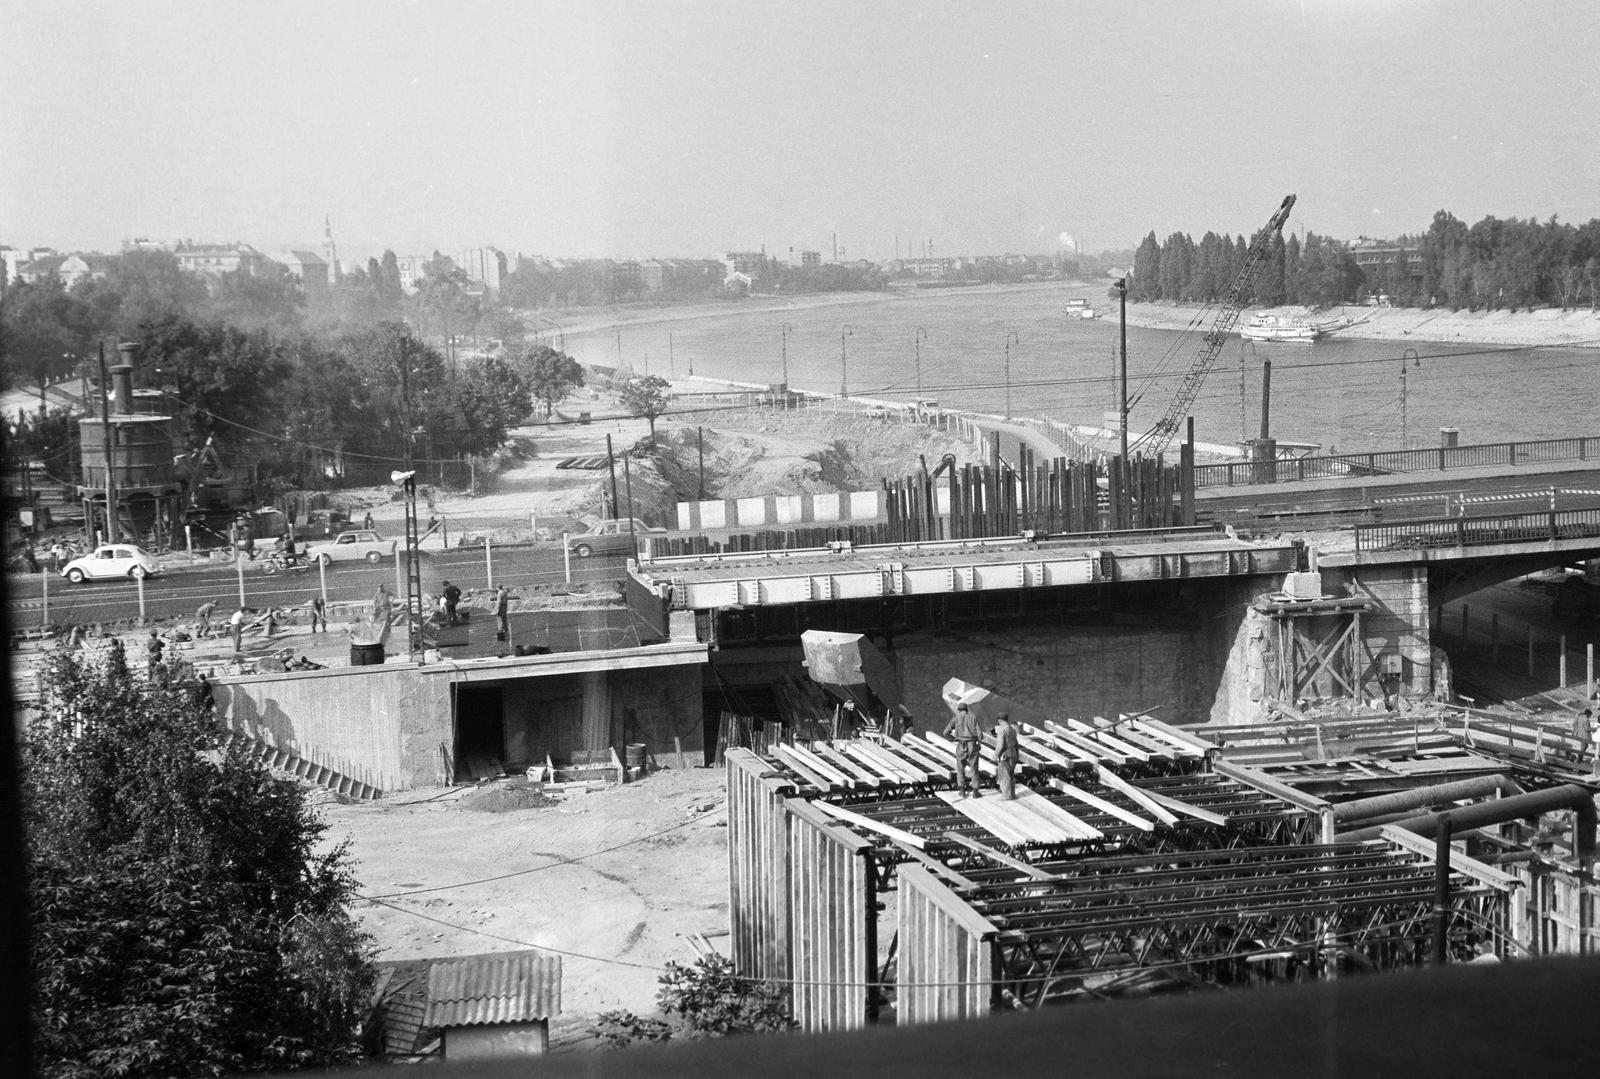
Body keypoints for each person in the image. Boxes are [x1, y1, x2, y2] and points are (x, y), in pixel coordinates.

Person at [943, 702, 983, 797]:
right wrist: (979, 743)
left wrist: (953, 739)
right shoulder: (973, 718)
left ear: (959, 710)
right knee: (974, 769)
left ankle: (962, 791)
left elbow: (945, 732)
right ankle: (975, 792)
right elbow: (980, 734)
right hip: (972, 745)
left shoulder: (956, 719)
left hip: (961, 745)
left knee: (960, 769)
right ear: (967, 709)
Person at [993, 712, 1019, 799]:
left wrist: (996, 755)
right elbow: (1016, 744)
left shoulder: (1002, 730)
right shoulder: (1013, 730)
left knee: (1004, 775)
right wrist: (1017, 755)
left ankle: (1006, 795)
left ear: (1000, 720)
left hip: (1005, 755)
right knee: (1011, 775)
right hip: (1013, 753)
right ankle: (1012, 794)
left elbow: (1000, 745)